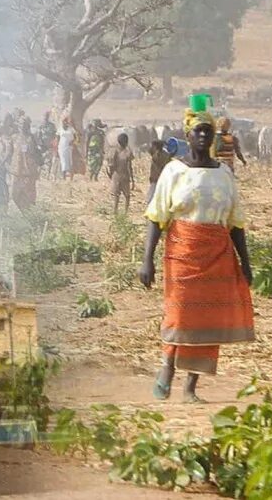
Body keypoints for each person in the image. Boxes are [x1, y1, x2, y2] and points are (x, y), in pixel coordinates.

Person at [139, 110, 255, 403]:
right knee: (180, 314)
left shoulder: (224, 174)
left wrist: (245, 262)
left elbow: (235, 222)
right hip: (182, 251)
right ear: (187, 135)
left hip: (217, 252)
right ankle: (167, 365)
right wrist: (147, 259)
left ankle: (191, 386)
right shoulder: (174, 171)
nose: (203, 135)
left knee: (207, 319)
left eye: (208, 131)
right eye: (198, 131)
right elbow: (156, 217)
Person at [10, 118, 42, 212]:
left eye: (25, 124)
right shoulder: (14, 137)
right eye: (21, 124)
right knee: (15, 194)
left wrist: (39, 165)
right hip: (16, 170)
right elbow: (10, 152)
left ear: (28, 125)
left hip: (29, 170)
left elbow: (37, 152)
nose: (22, 126)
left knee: (29, 194)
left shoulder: (31, 138)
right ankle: (24, 210)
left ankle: (29, 214)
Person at [107, 133, 135, 214]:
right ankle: (123, 211)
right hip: (124, 175)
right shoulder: (127, 152)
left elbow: (111, 165)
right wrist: (132, 179)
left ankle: (117, 211)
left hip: (117, 175)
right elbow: (130, 167)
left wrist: (111, 175)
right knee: (126, 195)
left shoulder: (114, 151)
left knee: (118, 195)